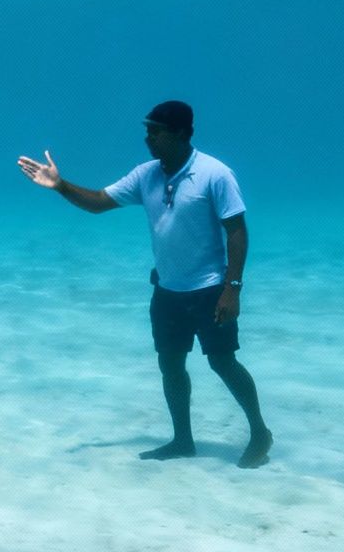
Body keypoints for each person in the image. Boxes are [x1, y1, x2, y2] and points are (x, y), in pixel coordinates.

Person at [17, 101, 274, 468]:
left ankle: (259, 433)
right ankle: (183, 440)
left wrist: (232, 287)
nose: (148, 138)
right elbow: (99, 202)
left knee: (222, 362)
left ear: (183, 134)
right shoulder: (146, 175)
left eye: (157, 131)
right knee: (170, 365)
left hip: (210, 288)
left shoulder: (215, 174)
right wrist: (60, 185)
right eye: (147, 130)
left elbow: (236, 231)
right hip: (167, 290)